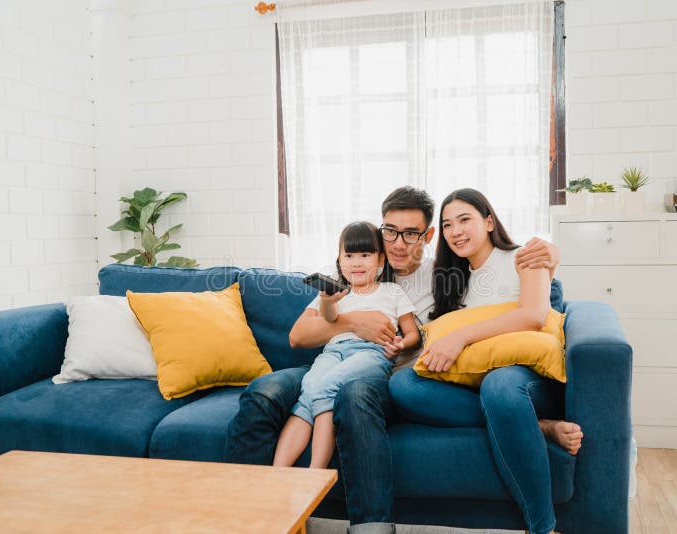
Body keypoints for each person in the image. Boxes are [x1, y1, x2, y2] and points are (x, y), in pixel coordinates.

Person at [224, 186, 561, 534]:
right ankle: (249, 517)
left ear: (429, 235)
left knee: (356, 395)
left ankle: (372, 527)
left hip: (383, 372)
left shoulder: (446, 274)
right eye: (390, 231)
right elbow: (298, 336)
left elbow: (507, 278)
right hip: (330, 360)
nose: (398, 243)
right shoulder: (363, 267)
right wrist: (354, 321)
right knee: (265, 390)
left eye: (411, 233)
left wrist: (551, 252)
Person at [388, 188, 582, 534]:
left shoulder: (524, 257)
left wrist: (461, 336)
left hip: (524, 379)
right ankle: (536, 426)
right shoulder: (453, 280)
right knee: (403, 385)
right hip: (475, 383)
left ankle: (542, 527)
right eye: (447, 225)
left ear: (489, 221)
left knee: (500, 384)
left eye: (465, 220)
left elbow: (535, 315)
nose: (456, 231)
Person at [272, 221, 420, 469]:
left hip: (371, 353)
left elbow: (413, 334)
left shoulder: (391, 291)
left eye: (365, 255)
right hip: (333, 351)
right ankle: (278, 474)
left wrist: (401, 345)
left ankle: (315, 474)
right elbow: (329, 319)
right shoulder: (335, 294)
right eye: (348, 255)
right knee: (307, 394)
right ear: (339, 260)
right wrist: (328, 302)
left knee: (326, 387)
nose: (356, 262)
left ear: (381, 259)